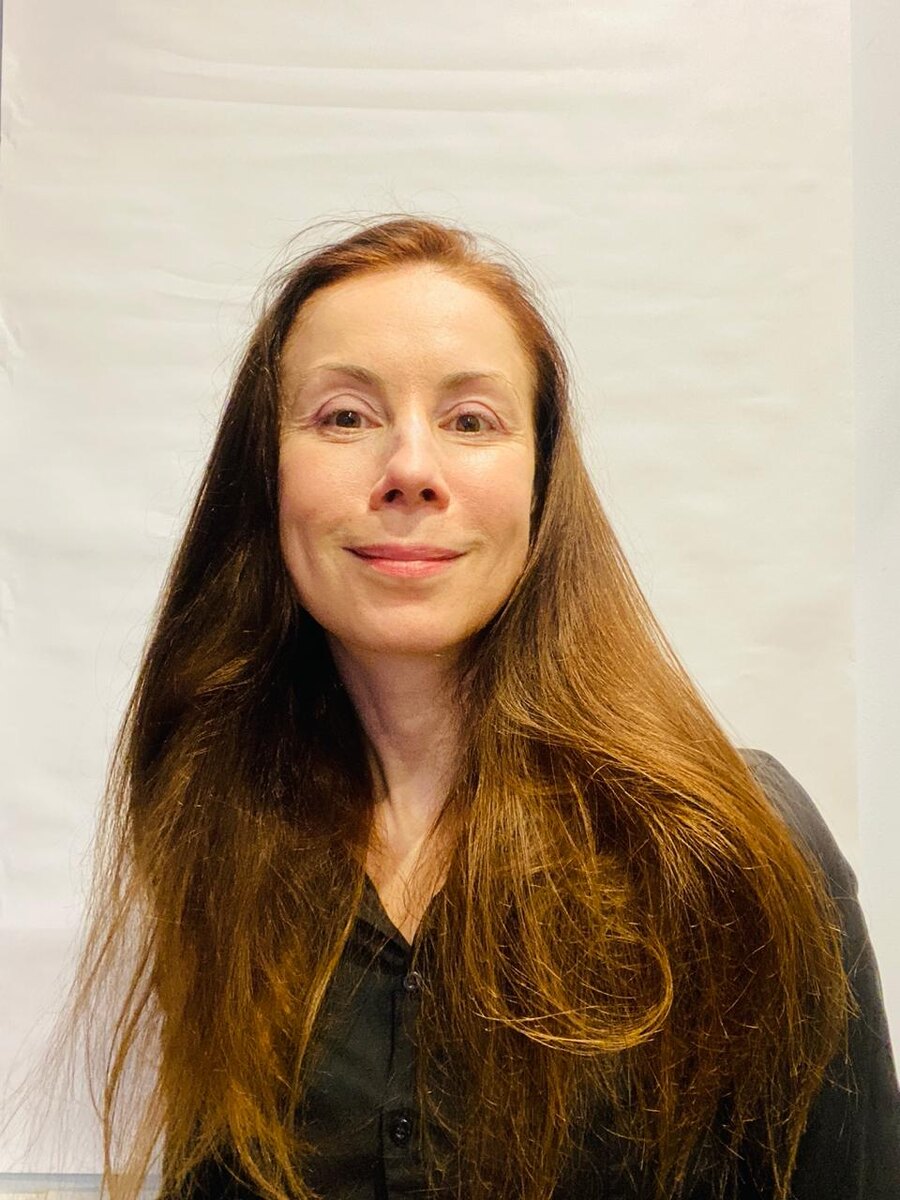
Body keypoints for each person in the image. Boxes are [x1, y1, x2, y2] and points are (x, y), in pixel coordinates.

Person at [39, 217, 899, 1199]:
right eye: (345, 417)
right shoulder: (216, 824)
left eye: (471, 421)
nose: (410, 469)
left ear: (540, 480)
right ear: (265, 476)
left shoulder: (732, 841)